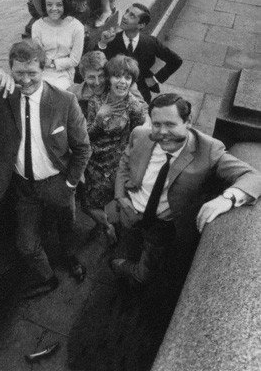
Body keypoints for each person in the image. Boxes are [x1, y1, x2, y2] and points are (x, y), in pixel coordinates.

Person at [0, 40, 92, 299]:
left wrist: (70, 184)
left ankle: (70, 258)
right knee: (26, 245)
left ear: (43, 69)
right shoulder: (1, 94)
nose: (25, 80)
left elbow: (83, 148)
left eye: (32, 73)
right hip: (22, 187)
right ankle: (48, 278)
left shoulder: (65, 101)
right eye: (19, 73)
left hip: (57, 182)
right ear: (10, 70)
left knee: (66, 227)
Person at [109, 92, 261, 287]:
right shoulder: (140, 134)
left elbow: (254, 177)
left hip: (162, 226)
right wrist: (120, 197)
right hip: (129, 212)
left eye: (170, 124)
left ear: (188, 122)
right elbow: (124, 162)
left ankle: (126, 270)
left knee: (146, 272)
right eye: (157, 124)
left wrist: (226, 199)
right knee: (130, 243)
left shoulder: (208, 151)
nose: (162, 132)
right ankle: (126, 263)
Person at [83, 55, 146, 244]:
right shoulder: (96, 100)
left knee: (91, 204)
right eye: (117, 76)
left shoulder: (134, 106)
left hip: (115, 166)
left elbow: (138, 137)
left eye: (127, 77)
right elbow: (88, 136)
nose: (122, 81)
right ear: (109, 79)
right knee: (90, 204)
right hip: (95, 162)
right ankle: (107, 224)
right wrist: (99, 119)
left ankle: (108, 227)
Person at [98, 2, 182, 103]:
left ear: (141, 25)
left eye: (132, 16)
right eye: (127, 12)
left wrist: (155, 79)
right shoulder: (112, 39)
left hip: (140, 93)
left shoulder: (150, 42)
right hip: (113, 93)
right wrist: (103, 43)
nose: (125, 17)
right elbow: (97, 63)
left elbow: (175, 61)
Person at [31, 0, 84, 90]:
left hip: (64, 72)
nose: (54, 9)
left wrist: (52, 63)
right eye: (49, 5)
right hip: (42, 71)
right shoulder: (37, 26)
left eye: (59, 5)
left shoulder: (77, 26)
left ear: (65, 5)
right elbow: (38, 54)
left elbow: (74, 60)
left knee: (55, 90)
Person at [69, 50, 108, 119]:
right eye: (91, 77)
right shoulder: (70, 95)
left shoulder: (115, 92)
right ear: (84, 77)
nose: (97, 82)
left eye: (101, 76)